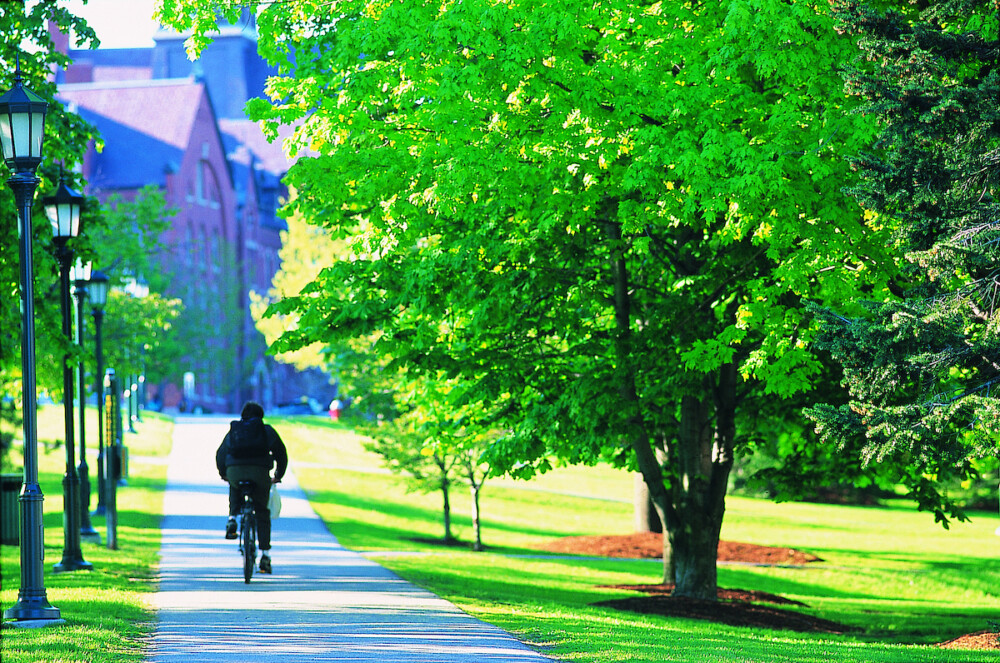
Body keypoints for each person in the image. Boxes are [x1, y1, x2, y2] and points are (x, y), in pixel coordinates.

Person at [216, 401, 288, 573]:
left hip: (235, 471)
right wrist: (278, 476)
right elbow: (281, 454)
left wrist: (223, 473)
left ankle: (232, 518)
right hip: (260, 473)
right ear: (260, 416)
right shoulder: (266, 430)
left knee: (234, 486)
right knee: (262, 512)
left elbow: (220, 454)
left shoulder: (234, 430)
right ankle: (265, 555)